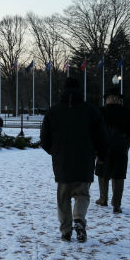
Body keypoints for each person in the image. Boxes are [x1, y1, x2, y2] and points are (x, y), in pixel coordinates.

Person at [40, 77, 108, 243]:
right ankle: (79, 219)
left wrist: (55, 152)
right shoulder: (91, 110)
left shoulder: (53, 111)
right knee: (82, 194)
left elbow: (44, 139)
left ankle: (65, 230)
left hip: (62, 160)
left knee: (63, 198)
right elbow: (101, 136)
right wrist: (101, 155)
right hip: (85, 159)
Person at [95, 88, 130, 214]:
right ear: (119, 100)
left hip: (104, 148)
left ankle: (103, 199)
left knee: (102, 174)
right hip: (121, 148)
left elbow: (95, 130)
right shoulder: (127, 112)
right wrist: (127, 144)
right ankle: (117, 204)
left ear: (107, 99)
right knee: (118, 175)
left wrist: (97, 146)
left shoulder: (101, 111)